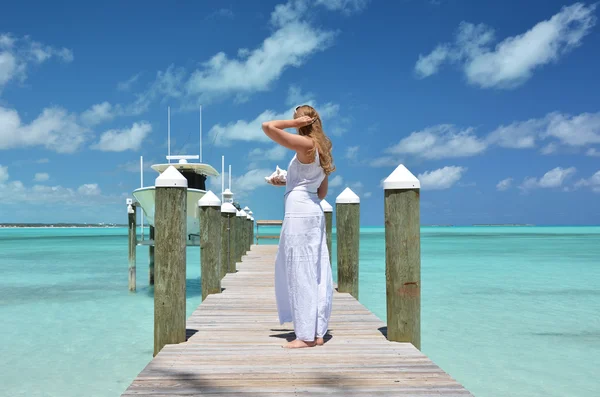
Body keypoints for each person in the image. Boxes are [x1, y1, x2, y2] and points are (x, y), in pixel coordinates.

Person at [261, 104, 335, 349]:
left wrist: (295, 124)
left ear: (305, 121)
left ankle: (304, 336)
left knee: (299, 270)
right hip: (313, 211)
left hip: (299, 214)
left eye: (298, 119)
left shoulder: (306, 144)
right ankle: (316, 332)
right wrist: (287, 182)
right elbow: (320, 192)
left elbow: (268, 127)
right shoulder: (324, 149)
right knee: (316, 270)